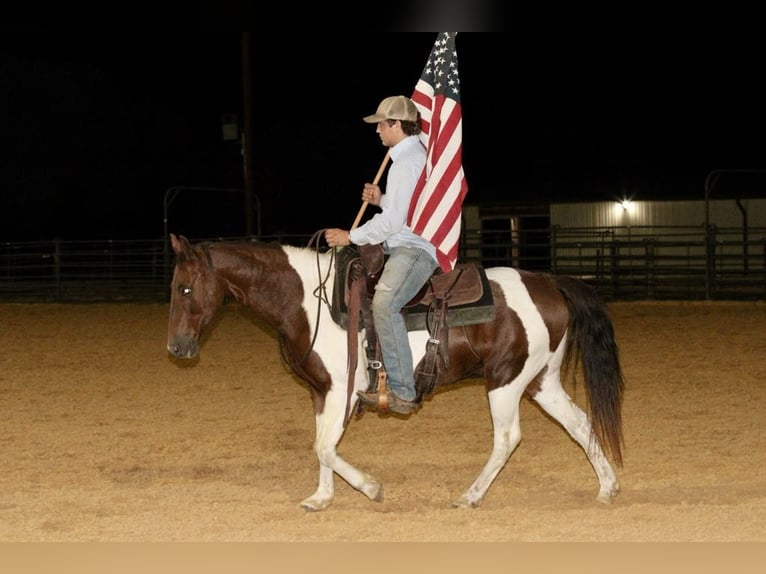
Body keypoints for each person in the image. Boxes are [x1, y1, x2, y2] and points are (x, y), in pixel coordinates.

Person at [324, 95, 439, 415]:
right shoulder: (407, 158)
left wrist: (351, 236)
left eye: (382, 125)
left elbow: (394, 223)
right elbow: (403, 208)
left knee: (385, 302)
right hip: (402, 240)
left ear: (397, 126)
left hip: (414, 247)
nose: (377, 131)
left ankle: (403, 390)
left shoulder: (407, 162)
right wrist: (381, 199)